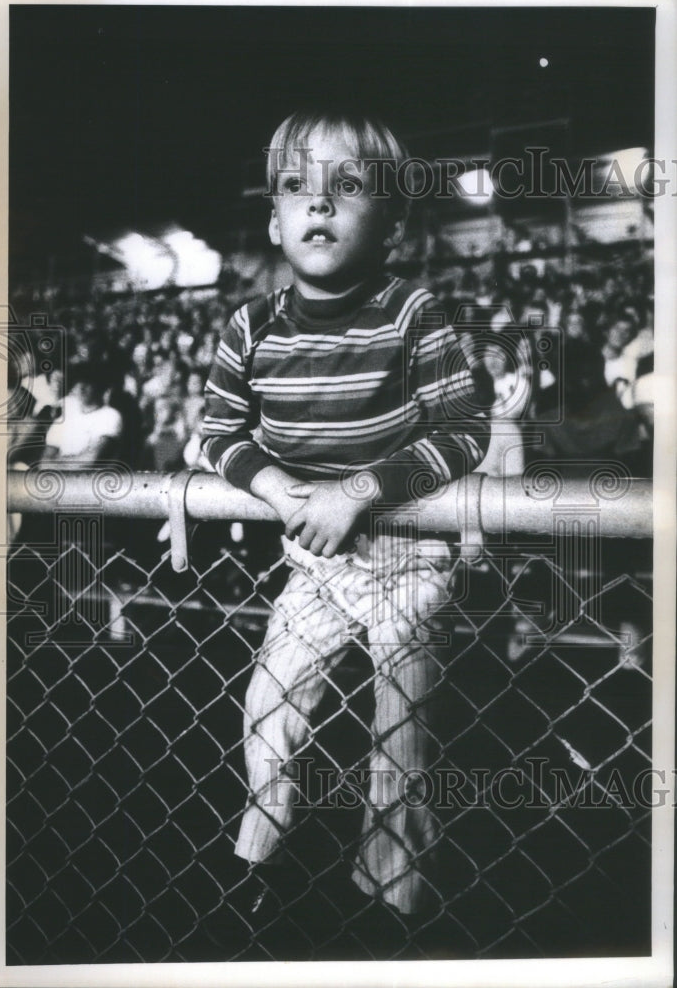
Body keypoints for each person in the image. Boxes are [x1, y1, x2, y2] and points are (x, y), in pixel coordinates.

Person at [201, 110, 489, 925]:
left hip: (403, 555)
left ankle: (391, 896)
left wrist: (357, 491)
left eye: (347, 187)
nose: (318, 205)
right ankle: (255, 853)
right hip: (313, 560)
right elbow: (220, 433)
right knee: (268, 705)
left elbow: (464, 431)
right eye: (297, 188)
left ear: (391, 223)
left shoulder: (412, 312)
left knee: (397, 730)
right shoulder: (249, 327)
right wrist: (282, 493)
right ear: (274, 220)